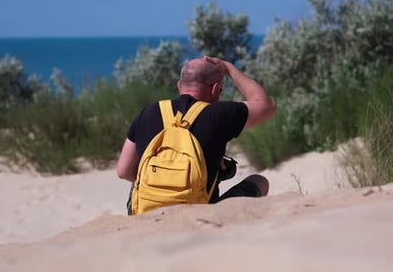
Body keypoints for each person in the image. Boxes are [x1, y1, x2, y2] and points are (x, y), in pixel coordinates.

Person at [116, 56, 276, 213]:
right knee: (259, 181)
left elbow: (123, 171)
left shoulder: (148, 112)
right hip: (198, 213)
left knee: (141, 179)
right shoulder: (220, 114)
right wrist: (229, 69)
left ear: (180, 86)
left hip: (146, 213)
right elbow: (266, 105)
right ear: (215, 89)